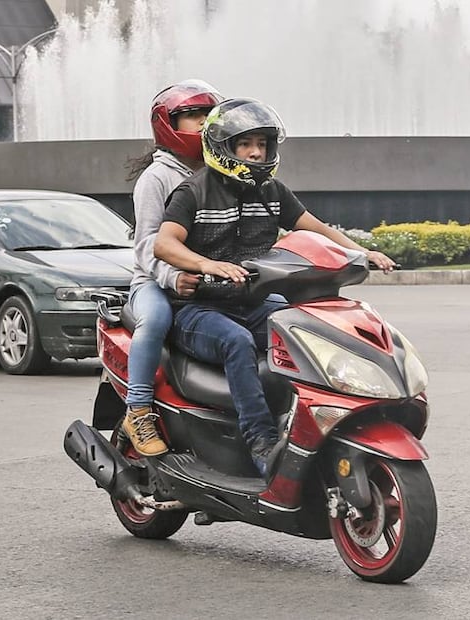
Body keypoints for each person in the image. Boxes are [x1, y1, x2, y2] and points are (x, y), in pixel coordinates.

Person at [154, 97, 396, 477]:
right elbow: (163, 243)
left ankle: (313, 427)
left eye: (262, 144)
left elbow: (315, 228)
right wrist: (207, 265)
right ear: (223, 146)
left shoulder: (271, 191)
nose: (255, 153)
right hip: (199, 309)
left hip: (253, 302)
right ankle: (261, 441)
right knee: (237, 342)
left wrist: (363, 251)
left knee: (310, 333)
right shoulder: (193, 191)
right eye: (246, 144)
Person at [120, 79, 224, 457]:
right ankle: (139, 410)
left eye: (206, 115)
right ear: (168, 125)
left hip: (209, 278)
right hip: (155, 281)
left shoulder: (223, 171)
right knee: (156, 321)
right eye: (190, 116)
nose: (200, 122)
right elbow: (147, 244)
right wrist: (172, 276)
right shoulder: (157, 178)